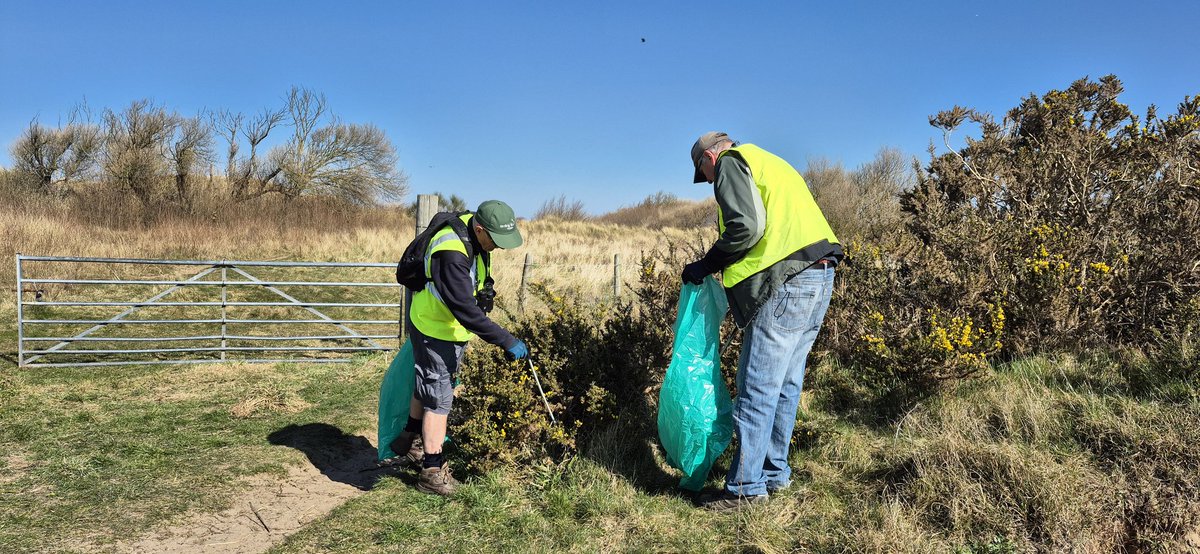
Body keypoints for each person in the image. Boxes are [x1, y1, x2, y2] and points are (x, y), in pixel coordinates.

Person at [682, 132, 842, 511]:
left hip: (785, 282)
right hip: (819, 275)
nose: (708, 182)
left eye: (704, 174)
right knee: (786, 383)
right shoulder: (769, 161)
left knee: (757, 386)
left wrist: (705, 265)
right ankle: (774, 473)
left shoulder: (731, 162)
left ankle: (744, 490)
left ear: (708, 157)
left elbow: (747, 226)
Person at [391, 200, 530, 496]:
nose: (498, 248)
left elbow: (476, 279)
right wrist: (506, 340)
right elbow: (463, 308)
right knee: (440, 400)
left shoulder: (473, 231)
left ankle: (410, 440)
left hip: (449, 329)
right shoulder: (451, 252)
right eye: (495, 240)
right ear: (480, 228)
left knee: (430, 385)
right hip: (435, 328)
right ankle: (431, 470)